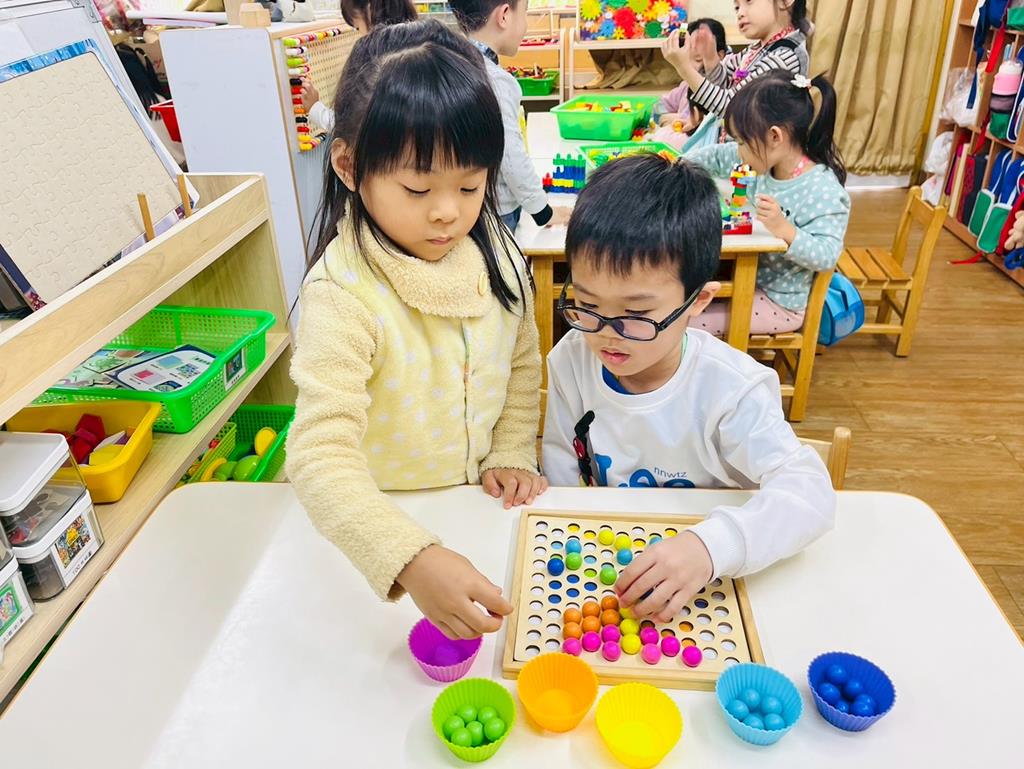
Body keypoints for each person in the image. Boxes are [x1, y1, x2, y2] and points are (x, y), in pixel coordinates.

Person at [287, 20, 547, 640]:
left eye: (470, 184)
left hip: (479, 511)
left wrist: (511, 449)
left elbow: (520, 361)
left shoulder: (498, 255)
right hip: (379, 529)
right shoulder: (342, 294)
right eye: (418, 188)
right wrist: (409, 557)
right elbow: (319, 455)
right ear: (349, 166)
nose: (448, 212)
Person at [541, 154, 835, 620]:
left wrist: (713, 546)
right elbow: (560, 462)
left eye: (637, 314)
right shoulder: (571, 360)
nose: (606, 333)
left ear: (698, 301)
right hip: (607, 561)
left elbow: (811, 493)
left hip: (711, 583)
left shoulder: (732, 389)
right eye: (587, 304)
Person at [686, 70, 850, 336]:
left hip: (779, 302)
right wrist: (677, 165)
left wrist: (785, 230)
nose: (738, 150)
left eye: (742, 141)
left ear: (775, 136)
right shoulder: (763, 160)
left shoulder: (821, 189)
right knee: (682, 294)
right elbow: (714, 157)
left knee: (686, 322)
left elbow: (827, 255)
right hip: (743, 275)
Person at [448, 0, 570, 232]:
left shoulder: (456, 63)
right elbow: (511, 155)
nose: (525, 26)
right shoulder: (496, 81)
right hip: (498, 210)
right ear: (504, 15)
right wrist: (543, 211)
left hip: (468, 204)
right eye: (525, 14)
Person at [661, 0, 810, 119]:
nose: (740, 13)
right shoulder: (755, 50)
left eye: (749, 1)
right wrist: (711, 60)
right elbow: (725, 85)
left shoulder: (784, 56)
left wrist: (684, 68)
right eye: (737, 7)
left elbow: (730, 108)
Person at [300, 0, 418, 131]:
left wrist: (315, 109)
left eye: (357, 27)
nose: (360, 34)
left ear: (370, 9)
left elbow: (353, 128)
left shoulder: (373, 58)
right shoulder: (422, 43)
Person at [652, 16, 728, 130]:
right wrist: (665, 118)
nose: (691, 67)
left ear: (720, 55)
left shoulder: (721, 88)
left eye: (698, 59)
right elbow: (659, 108)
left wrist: (684, 118)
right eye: (687, 59)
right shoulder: (685, 87)